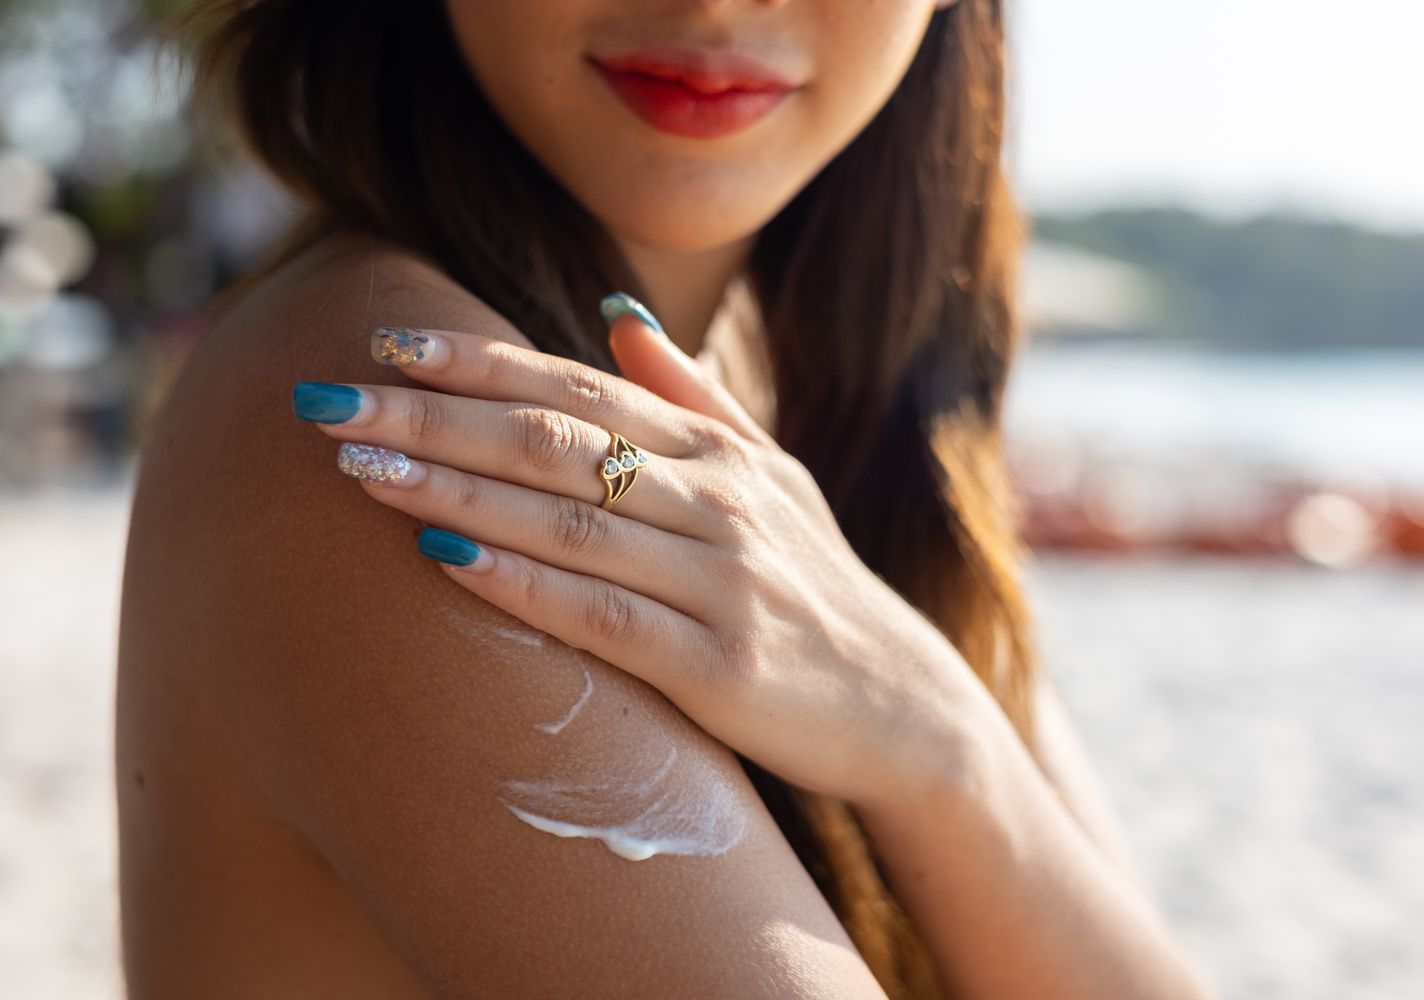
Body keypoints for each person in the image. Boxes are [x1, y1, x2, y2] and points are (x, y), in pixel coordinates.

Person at [116, 0, 1214, 996]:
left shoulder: (808, 414)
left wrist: (937, 737)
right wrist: (934, 743)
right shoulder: (399, 423)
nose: (718, 2)